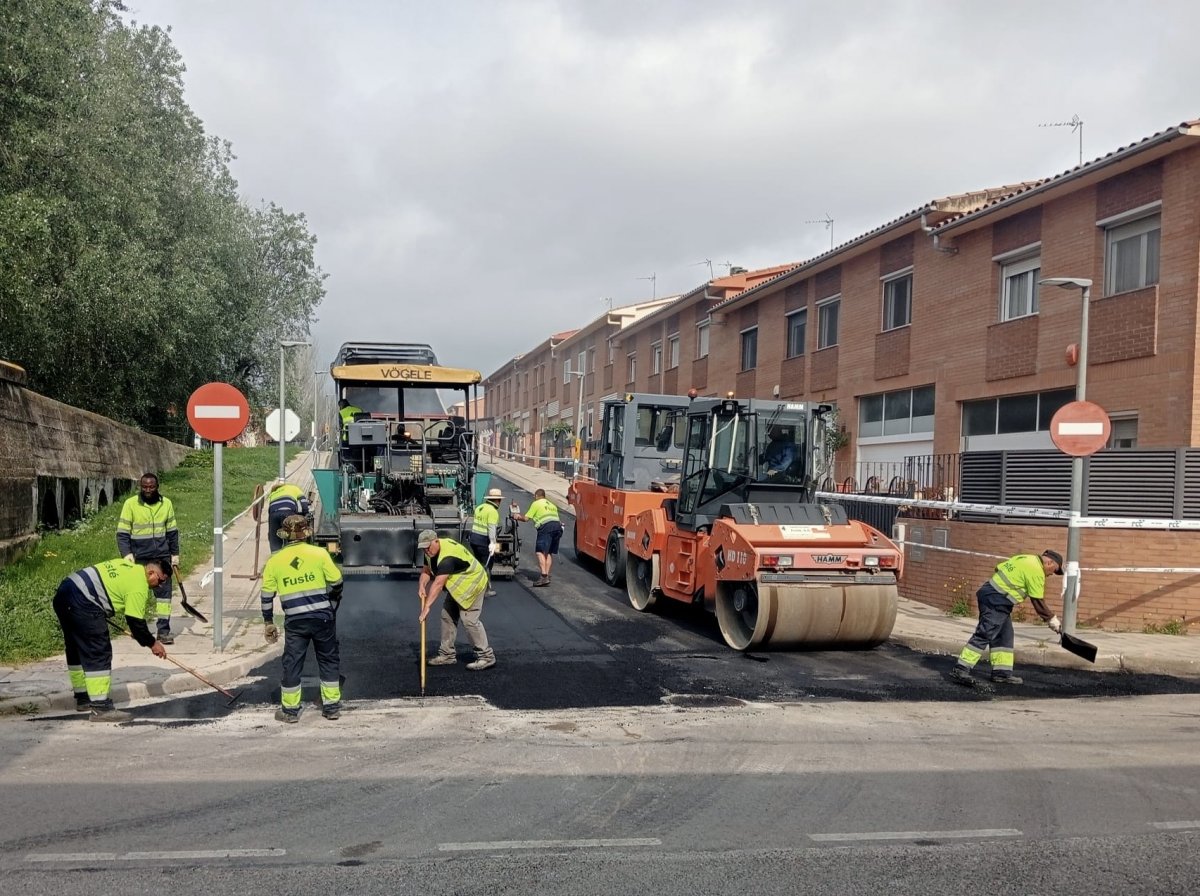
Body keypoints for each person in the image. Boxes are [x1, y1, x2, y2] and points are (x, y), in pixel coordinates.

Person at [52, 557, 170, 722]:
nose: (160, 586)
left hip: (65, 592)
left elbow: (105, 586)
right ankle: (100, 708)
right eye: (160, 580)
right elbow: (136, 623)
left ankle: (83, 698)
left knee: (76, 648)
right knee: (98, 651)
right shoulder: (139, 585)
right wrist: (152, 643)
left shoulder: (127, 565)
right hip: (83, 601)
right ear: (151, 573)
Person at [261, 514, 345, 722]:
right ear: (306, 533)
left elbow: (266, 596)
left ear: (284, 536)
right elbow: (337, 581)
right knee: (328, 659)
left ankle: (290, 712)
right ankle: (331, 708)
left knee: (292, 663)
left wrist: (268, 622)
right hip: (322, 618)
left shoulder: (275, 561)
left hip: (295, 622)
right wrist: (334, 595)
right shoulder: (319, 554)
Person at [950, 549, 1064, 687]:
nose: (1051, 574)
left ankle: (1001, 673)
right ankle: (961, 669)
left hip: (991, 594)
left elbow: (998, 568)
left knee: (1004, 635)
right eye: (1054, 570)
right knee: (985, 633)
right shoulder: (1036, 571)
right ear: (1049, 562)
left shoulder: (1025, 558)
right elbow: (1038, 602)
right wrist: (1052, 621)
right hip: (997, 600)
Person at [417, 529, 496, 671]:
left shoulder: (447, 557)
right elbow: (426, 571)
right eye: (423, 548)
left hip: (473, 584)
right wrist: (422, 585)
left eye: (428, 547)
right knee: (447, 616)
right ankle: (447, 654)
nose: (426, 551)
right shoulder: (429, 552)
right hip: (458, 587)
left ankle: (486, 656)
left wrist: (427, 607)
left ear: (436, 541)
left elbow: (438, 584)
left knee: (469, 620)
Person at [116, 472, 180, 644]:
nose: (148, 490)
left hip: (161, 557)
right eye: (144, 487)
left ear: (157, 487)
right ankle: (138, 629)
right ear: (140, 487)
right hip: (140, 558)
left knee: (164, 596)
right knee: (138, 595)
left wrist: (175, 555)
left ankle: (163, 631)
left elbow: (172, 532)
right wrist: (126, 554)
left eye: (151, 487)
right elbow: (122, 533)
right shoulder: (130, 504)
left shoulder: (166, 504)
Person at [510, 489, 564, 587]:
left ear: (536, 496)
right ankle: (546, 576)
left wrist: (517, 517)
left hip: (546, 528)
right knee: (549, 552)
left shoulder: (536, 503)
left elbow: (526, 518)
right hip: (557, 527)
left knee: (540, 552)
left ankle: (543, 576)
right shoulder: (552, 505)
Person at [468, 487, 504, 596]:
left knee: (478, 565)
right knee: (487, 565)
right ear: (497, 500)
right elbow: (492, 529)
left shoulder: (480, 507)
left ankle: (476, 587)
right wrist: (493, 544)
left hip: (473, 539)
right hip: (483, 541)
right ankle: (486, 589)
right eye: (500, 500)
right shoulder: (493, 511)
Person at [266, 478, 311, 553]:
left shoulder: (273, 493)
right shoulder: (294, 488)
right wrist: (306, 513)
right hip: (288, 512)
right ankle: (291, 553)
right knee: (291, 535)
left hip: (273, 514)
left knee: (274, 538)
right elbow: (303, 501)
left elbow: (270, 509)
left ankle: (275, 555)